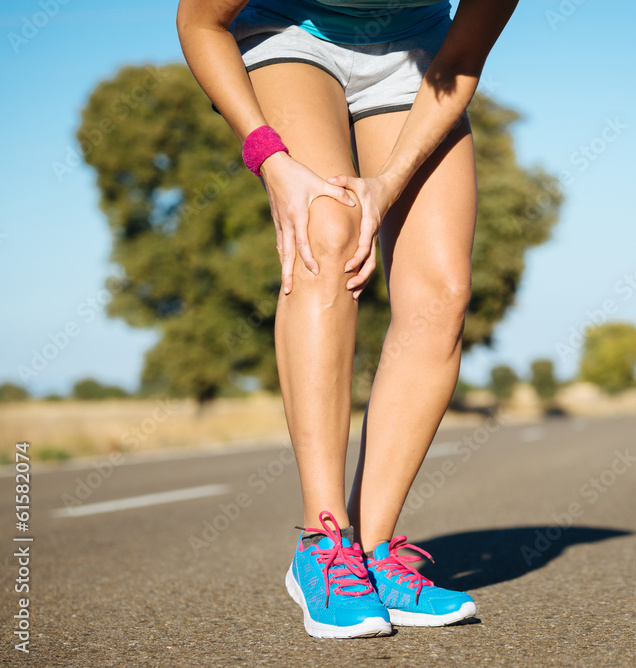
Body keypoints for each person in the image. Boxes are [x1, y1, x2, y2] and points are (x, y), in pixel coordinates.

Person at [176, 0, 518, 639]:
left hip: (417, 53)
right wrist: (269, 158)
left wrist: (386, 183)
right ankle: (324, 542)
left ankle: (375, 551)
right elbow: (199, 22)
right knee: (326, 233)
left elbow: (464, 57)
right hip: (290, 36)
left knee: (442, 290)